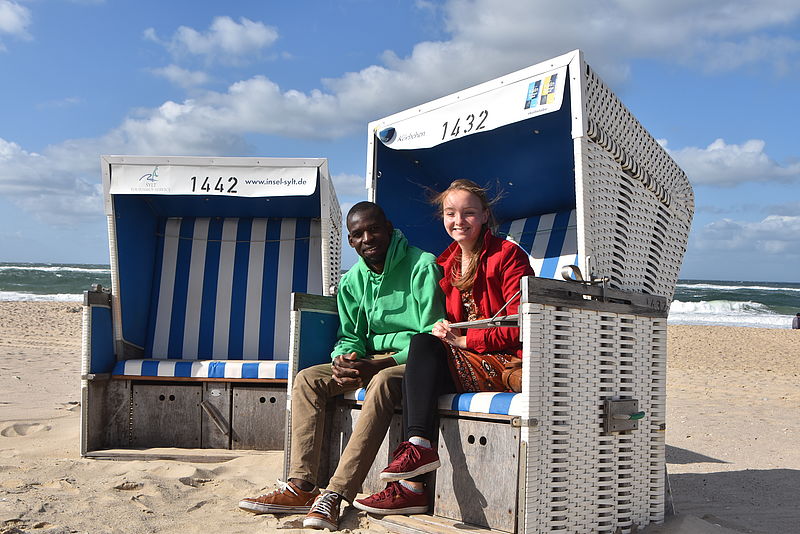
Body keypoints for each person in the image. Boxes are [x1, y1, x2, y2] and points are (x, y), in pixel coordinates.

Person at [238, 201, 445, 530]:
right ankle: (301, 486)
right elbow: (350, 335)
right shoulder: (353, 281)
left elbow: (432, 338)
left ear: (389, 228)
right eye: (358, 234)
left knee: (381, 382)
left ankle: (336, 492)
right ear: (350, 241)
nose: (368, 238)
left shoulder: (422, 265)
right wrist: (343, 358)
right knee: (308, 379)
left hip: (410, 364)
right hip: (370, 361)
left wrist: (375, 366)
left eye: (374, 229)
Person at [353, 179, 534, 515]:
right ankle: (413, 479)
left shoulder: (507, 256)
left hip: (506, 362)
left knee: (422, 349)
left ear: (484, 216)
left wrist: (467, 340)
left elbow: (520, 323)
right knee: (421, 356)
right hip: (470, 362)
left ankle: (412, 480)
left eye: (468, 213)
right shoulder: (446, 263)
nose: (459, 221)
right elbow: (450, 324)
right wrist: (445, 329)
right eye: (451, 213)